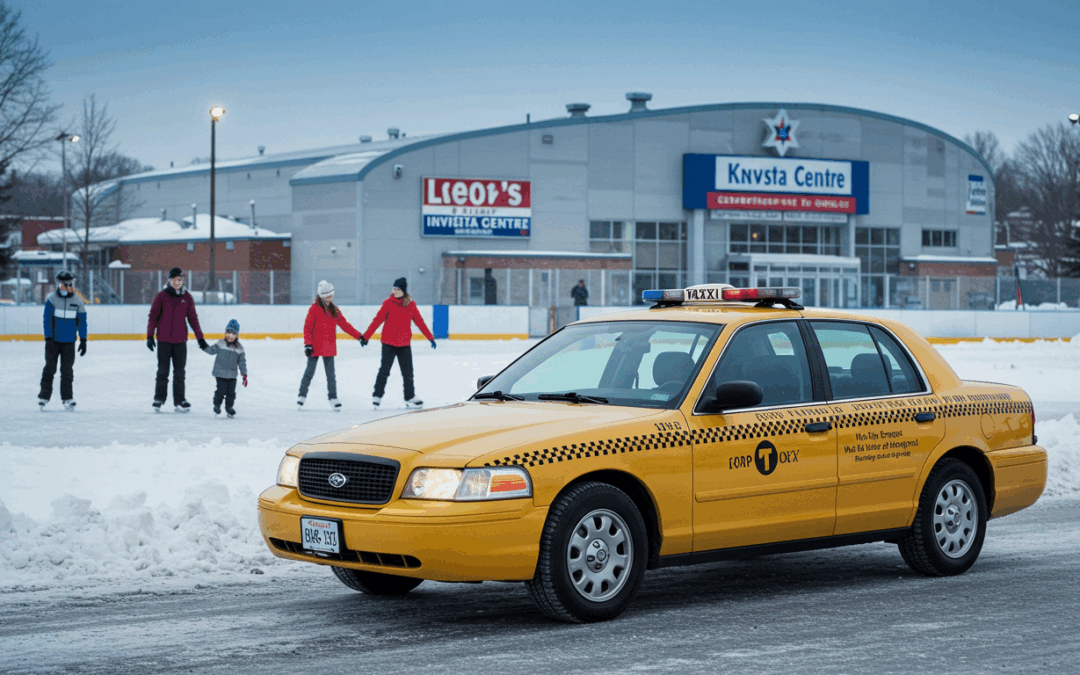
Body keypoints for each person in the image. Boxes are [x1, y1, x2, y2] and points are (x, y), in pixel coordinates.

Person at [361, 277, 435, 409]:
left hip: (404, 344)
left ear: (403, 291)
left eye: (397, 289)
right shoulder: (388, 303)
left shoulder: (410, 305)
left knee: (408, 372)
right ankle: (377, 396)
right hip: (388, 344)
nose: (394, 291)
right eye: (393, 288)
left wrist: (430, 337)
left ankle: (410, 396)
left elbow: (420, 322)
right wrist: (366, 336)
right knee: (384, 371)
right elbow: (377, 320)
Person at [147, 267, 208, 412]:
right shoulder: (161, 296)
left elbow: (193, 319)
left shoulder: (187, 297)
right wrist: (150, 336)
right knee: (163, 371)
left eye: (180, 280)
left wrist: (200, 339)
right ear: (169, 281)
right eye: (175, 280)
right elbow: (153, 317)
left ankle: (180, 401)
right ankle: (159, 399)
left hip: (180, 342)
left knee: (180, 373)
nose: (178, 282)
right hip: (164, 340)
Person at [298, 280, 362, 411]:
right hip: (314, 347)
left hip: (329, 346)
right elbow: (307, 328)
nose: (329, 298)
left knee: (331, 375)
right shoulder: (314, 309)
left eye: (331, 295)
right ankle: (302, 395)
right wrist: (307, 345)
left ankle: (333, 398)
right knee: (309, 372)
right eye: (326, 296)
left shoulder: (334, 310)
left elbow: (345, 325)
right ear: (321, 296)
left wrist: (359, 336)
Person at [38, 270, 88, 411]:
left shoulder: (78, 302)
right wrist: (48, 337)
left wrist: (83, 339)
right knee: (50, 368)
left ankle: (67, 398)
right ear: (58, 284)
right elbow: (47, 320)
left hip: (69, 342)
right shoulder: (52, 300)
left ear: (72, 284)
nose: (65, 287)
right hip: (53, 341)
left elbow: (82, 322)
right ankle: (44, 397)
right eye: (62, 284)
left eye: (68, 284)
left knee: (67, 371)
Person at [202, 319, 247, 418]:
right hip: (220, 373)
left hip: (232, 375)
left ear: (237, 335)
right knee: (221, 390)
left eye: (233, 333)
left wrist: (244, 374)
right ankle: (217, 405)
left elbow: (242, 362)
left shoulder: (239, 348)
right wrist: (203, 345)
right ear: (225, 333)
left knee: (231, 393)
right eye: (228, 332)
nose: (230, 335)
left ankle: (229, 407)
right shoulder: (221, 344)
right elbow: (211, 351)